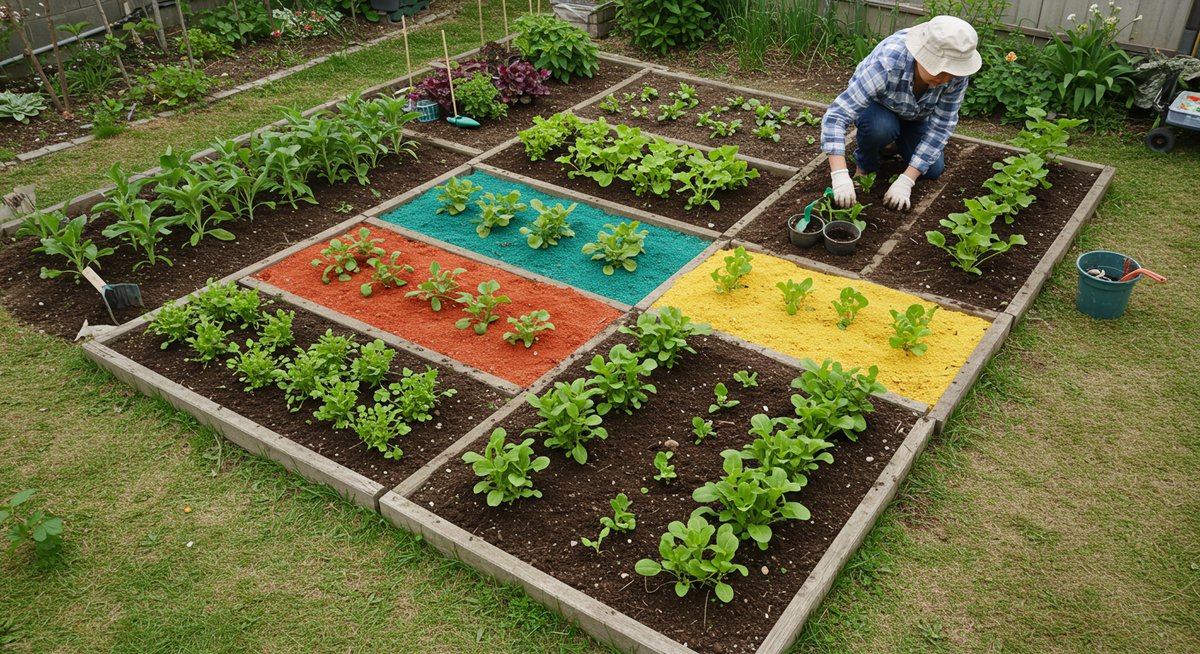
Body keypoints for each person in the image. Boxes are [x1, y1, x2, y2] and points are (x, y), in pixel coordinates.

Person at [820, 15, 982, 211]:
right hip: (878, 108)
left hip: (915, 116)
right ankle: (865, 166)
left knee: (932, 170)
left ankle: (892, 144)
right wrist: (839, 176)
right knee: (879, 129)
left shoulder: (955, 77)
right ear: (921, 56)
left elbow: (942, 125)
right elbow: (836, 117)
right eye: (940, 70)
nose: (945, 79)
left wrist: (907, 180)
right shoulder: (888, 63)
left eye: (952, 72)